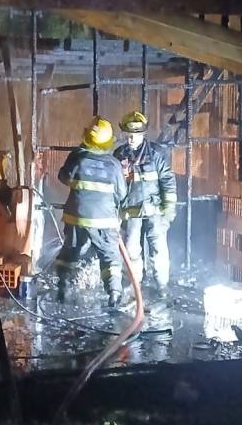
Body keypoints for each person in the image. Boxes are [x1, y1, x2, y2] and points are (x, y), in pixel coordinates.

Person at [55, 117, 127, 308]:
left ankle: (62, 287)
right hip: (104, 220)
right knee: (109, 256)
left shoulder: (77, 157)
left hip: (76, 217)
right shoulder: (114, 165)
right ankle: (114, 293)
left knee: (71, 250)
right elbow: (122, 194)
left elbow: (63, 177)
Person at [114, 110, 177, 294]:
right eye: (128, 134)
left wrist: (168, 209)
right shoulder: (119, 155)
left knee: (158, 250)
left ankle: (162, 286)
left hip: (154, 211)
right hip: (131, 211)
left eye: (136, 134)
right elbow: (115, 185)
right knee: (132, 250)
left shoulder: (156, 154)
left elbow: (167, 180)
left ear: (143, 134)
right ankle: (135, 286)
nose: (131, 138)